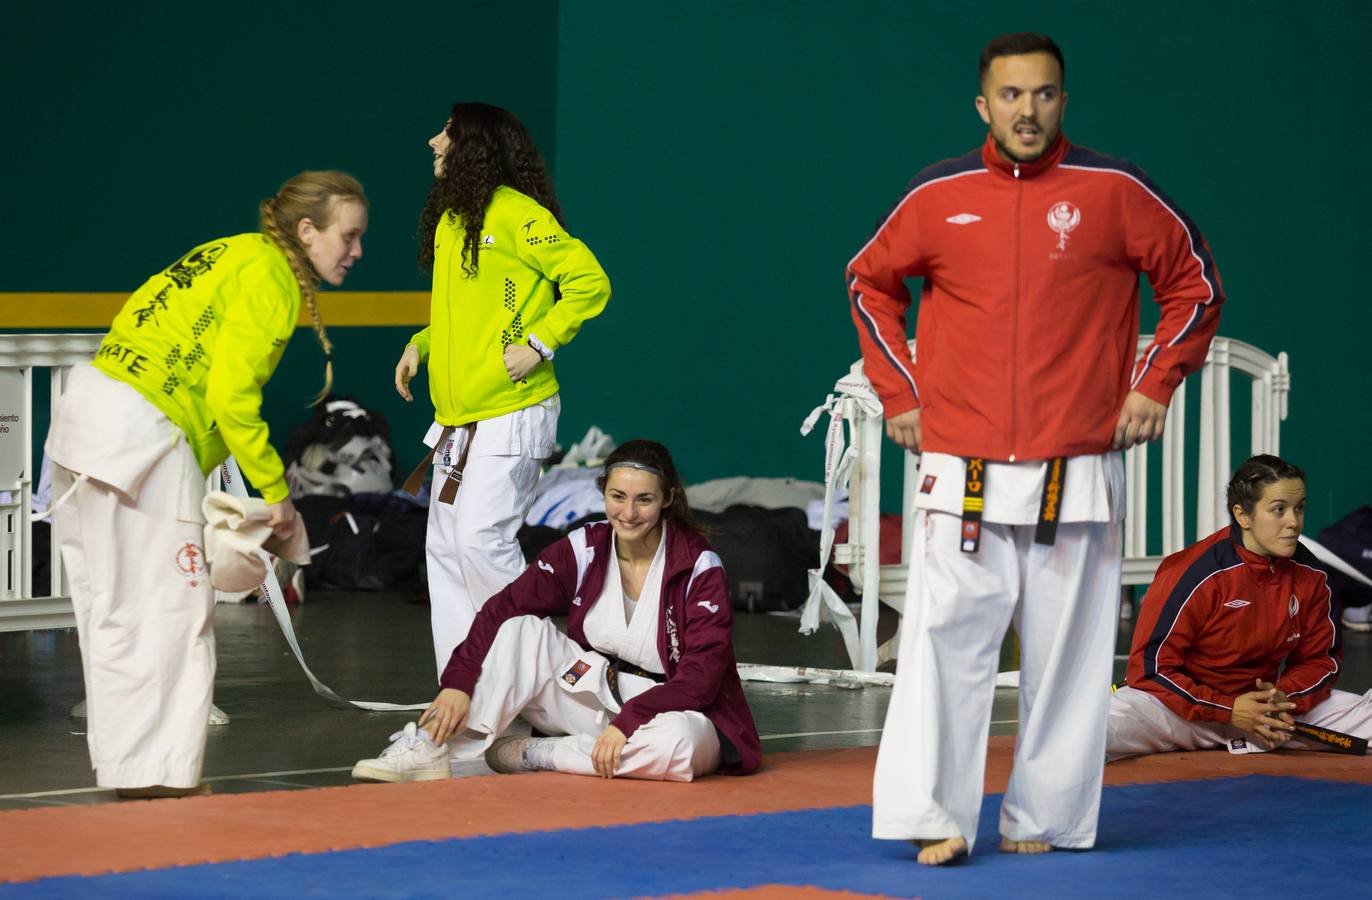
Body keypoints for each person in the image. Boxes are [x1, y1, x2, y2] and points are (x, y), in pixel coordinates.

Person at [851, 33, 1225, 864]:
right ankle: (936, 817)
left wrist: (1155, 382)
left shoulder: (1115, 190)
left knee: (1070, 659)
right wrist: (901, 392)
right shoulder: (936, 195)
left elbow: (1195, 285)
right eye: (1012, 96)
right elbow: (868, 282)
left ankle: (1043, 820)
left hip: (1078, 464)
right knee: (943, 645)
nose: (1029, 110)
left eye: (1045, 94)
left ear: (1064, 100)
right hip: (964, 464)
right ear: (984, 105)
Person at [45, 171, 369, 798]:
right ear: (308, 231)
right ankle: (160, 780)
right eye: (348, 237)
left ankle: (133, 774)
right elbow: (231, 398)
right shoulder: (273, 277)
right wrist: (276, 493)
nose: (356, 252)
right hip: (141, 433)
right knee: (174, 613)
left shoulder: (231, 251)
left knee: (114, 615)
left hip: (86, 416)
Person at [351, 440, 761, 783]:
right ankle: (433, 746)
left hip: (672, 712)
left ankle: (541, 753)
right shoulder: (584, 548)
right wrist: (457, 683)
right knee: (520, 629)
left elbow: (702, 680)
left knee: (680, 746)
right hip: (597, 694)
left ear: (668, 499)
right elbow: (501, 608)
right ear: (602, 492)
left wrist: (629, 721)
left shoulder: (696, 566)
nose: (629, 513)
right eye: (617, 497)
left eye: (644, 500)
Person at [392, 103, 611, 682]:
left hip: (514, 413)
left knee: (481, 544)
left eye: (448, 133)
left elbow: (590, 281)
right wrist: (422, 344)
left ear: (477, 148)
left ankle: (559, 683)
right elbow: (461, 317)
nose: (433, 140)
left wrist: (539, 342)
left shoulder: (519, 215)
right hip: (457, 422)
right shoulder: (451, 222)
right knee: (444, 552)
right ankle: (463, 697)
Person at [1108, 455, 1372, 759]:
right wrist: (1229, 710)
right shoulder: (1192, 573)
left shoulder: (1312, 575)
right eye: (1278, 510)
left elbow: (1321, 660)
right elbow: (1150, 671)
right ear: (1242, 516)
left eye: (1299, 508)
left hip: (1266, 716)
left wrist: (1283, 697)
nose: (1294, 522)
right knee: (1093, 732)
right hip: (1180, 712)